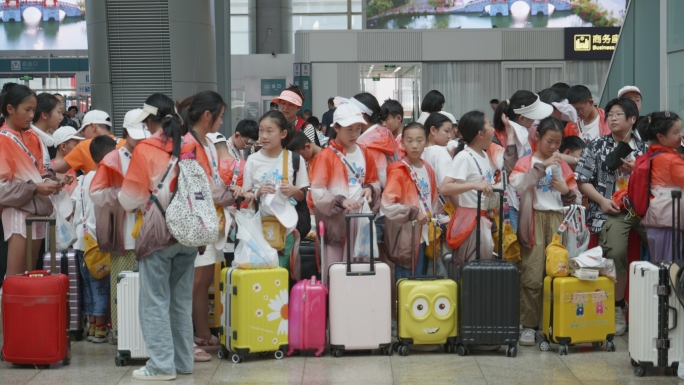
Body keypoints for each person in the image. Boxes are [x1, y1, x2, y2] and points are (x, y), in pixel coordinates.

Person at [119, 93, 213, 380]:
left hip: (158, 234)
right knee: (180, 301)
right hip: (189, 235)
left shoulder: (145, 149)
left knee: (155, 301)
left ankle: (161, 366)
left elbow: (129, 200)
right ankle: (183, 362)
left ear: (150, 121)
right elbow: (208, 188)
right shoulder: (192, 146)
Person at [575, 98, 647, 336]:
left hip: (641, 210)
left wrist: (636, 170)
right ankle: (618, 307)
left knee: (663, 244)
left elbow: (655, 181)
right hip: (611, 208)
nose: (613, 118)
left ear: (632, 119)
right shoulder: (595, 146)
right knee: (615, 251)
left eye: (619, 114)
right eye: (611, 114)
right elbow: (582, 181)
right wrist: (602, 201)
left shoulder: (645, 148)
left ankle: (655, 306)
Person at [509, 117, 581, 346]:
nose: (554, 147)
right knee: (532, 274)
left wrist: (565, 191)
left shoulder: (562, 164)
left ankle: (554, 323)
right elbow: (518, 185)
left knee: (558, 273)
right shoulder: (526, 161)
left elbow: (577, 195)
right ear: (538, 137)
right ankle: (528, 326)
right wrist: (542, 166)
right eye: (550, 141)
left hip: (559, 221)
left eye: (558, 143)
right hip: (534, 219)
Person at [178, 91, 238, 362]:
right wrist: (231, 194)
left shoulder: (206, 142)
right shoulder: (188, 144)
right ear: (206, 116)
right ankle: (184, 341)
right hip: (195, 220)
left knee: (203, 281)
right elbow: (199, 187)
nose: (222, 122)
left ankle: (202, 334)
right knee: (191, 283)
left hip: (209, 219)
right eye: (221, 116)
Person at [89, 109, 151, 344]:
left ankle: (145, 336)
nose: (142, 139)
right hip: (124, 235)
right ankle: (122, 333)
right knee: (122, 286)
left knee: (149, 287)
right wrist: (127, 196)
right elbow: (96, 192)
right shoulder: (113, 159)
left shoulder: (152, 155)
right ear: (125, 132)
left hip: (150, 232)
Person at [310, 103, 380, 273]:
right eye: (349, 129)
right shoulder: (325, 156)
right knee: (336, 268)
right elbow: (317, 191)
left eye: (358, 128)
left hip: (361, 218)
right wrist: (341, 201)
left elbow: (374, 180)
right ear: (336, 127)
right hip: (336, 222)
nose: (354, 134)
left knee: (362, 267)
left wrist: (370, 190)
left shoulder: (365, 152)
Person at [0, 85, 62, 278]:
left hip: (39, 212)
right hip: (18, 212)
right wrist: (36, 188)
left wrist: (51, 181)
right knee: (15, 277)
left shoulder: (32, 136)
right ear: (10, 108)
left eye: (33, 110)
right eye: (27, 110)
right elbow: (2, 189)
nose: (31, 115)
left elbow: (42, 171)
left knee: (30, 275)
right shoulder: (3, 139)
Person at [242, 110, 309, 272]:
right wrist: (258, 192)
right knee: (259, 277)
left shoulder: (294, 159)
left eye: (269, 131)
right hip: (259, 227)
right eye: (261, 130)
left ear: (283, 133)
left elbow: (302, 196)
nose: (263, 136)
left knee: (282, 275)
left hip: (286, 229)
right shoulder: (252, 160)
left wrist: (293, 190)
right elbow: (246, 196)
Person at [73, 135, 117, 343]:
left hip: (81, 242)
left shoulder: (82, 179)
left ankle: (92, 325)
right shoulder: (105, 177)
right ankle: (101, 328)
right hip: (99, 242)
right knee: (101, 285)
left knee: (88, 286)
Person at [382, 121, 438, 282]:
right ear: (402, 142)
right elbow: (387, 205)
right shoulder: (398, 169)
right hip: (408, 237)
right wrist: (413, 213)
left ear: (427, 142)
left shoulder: (428, 168)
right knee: (409, 285)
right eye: (409, 140)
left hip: (427, 235)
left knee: (424, 285)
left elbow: (432, 200)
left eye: (419, 140)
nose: (414, 145)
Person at [441, 111, 497, 268]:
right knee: (473, 267)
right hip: (470, 219)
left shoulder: (484, 155)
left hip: (483, 217)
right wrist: (474, 185)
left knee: (484, 265)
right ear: (480, 133)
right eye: (490, 124)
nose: (493, 128)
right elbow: (445, 187)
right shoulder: (465, 157)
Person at [493, 91, 554, 232]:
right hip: (509, 200)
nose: (535, 122)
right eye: (533, 118)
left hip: (526, 197)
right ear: (521, 118)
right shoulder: (496, 139)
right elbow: (508, 171)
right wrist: (510, 138)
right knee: (512, 245)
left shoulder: (529, 131)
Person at [636, 112, 683, 262]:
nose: (681, 135)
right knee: (670, 268)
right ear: (661, 137)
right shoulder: (670, 159)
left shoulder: (656, 154)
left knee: (661, 265)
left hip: (660, 218)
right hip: (668, 220)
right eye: (676, 132)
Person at [52, 110, 115, 174]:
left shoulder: (84, 146)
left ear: (93, 127)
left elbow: (57, 170)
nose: (84, 134)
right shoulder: (123, 143)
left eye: (84, 130)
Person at [51, 126, 83, 195]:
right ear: (63, 146)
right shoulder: (66, 168)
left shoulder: (49, 165)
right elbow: (72, 195)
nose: (79, 149)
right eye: (76, 145)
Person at [31, 93, 62, 160]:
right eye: (59, 112)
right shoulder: (31, 138)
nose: (61, 117)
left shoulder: (38, 136)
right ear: (45, 115)